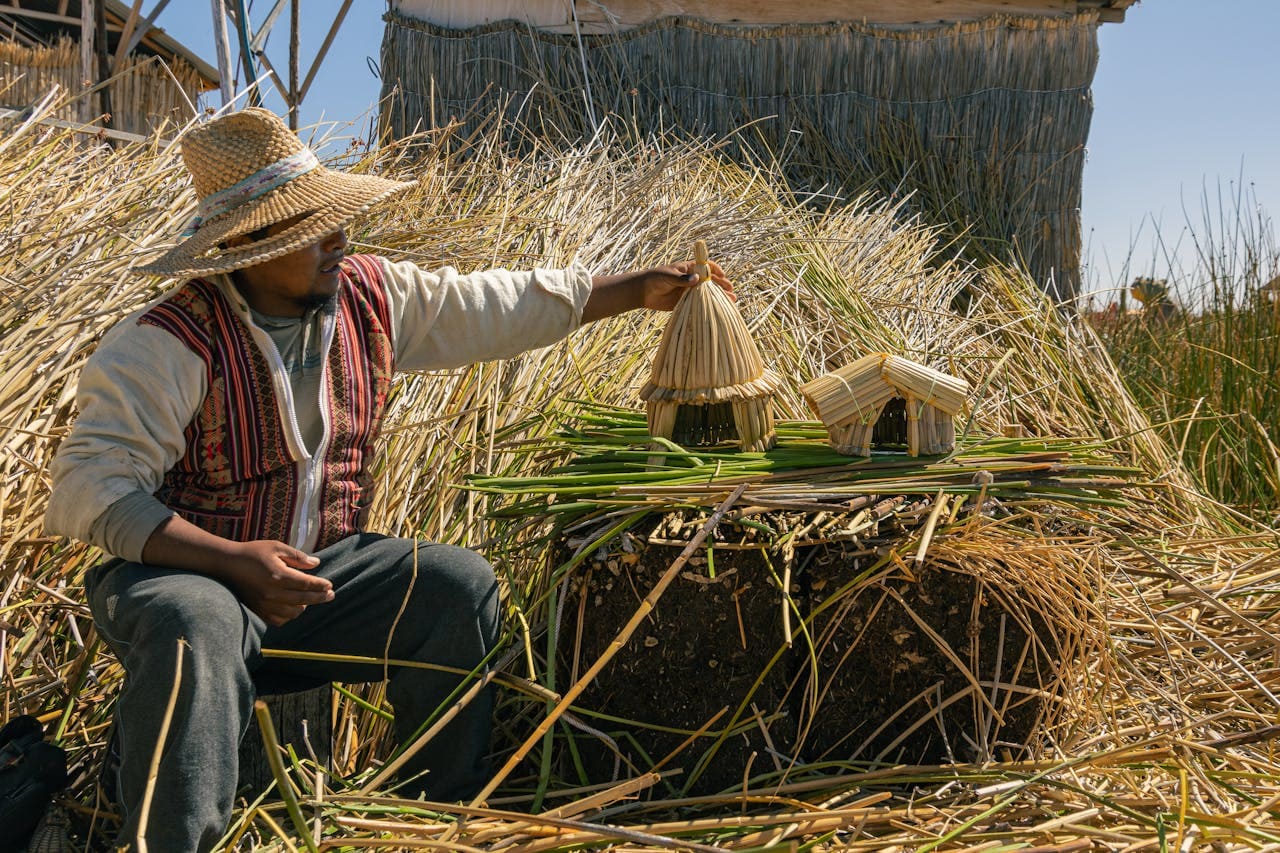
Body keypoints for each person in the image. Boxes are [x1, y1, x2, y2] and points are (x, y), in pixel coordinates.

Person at [45, 107, 732, 853]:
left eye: (336, 222)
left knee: (455, 588)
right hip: (185, 581)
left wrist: (635, 290)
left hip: (319, 576)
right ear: (246, 246)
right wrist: (228, 560)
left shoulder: (367, 298)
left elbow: (492, 304)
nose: (340, 240)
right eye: (312, 230)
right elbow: (93, 489)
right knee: (199, 622)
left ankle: (429, 821)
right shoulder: (164, 344)